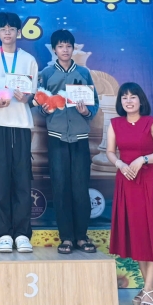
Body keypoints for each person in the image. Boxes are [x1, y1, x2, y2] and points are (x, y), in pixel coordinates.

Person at [106, 82, 153, 305]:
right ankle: (149, 288)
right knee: (136, 233)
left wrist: (143, 159)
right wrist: (120, 164)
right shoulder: (114, 124)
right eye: (124, 97)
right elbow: (110, 152)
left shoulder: (152, 122)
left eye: (133, 97)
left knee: (151, 232)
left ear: (141, 100)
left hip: (148, 182)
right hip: (126, 182)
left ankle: (148, 289)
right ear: (120, 102)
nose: (129, 101)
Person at [0, 12, 38, 253]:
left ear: (18, 32)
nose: (8, 32)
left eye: (12, 28)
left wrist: (26, 98)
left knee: (22, 179)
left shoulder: (28, 60)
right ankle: (3, 234)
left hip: (21, 124)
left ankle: (22, 234)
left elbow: (33, 93)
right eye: (3, 29)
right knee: (0, 179)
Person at [36, 30, 99, 254]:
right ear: (54, 49)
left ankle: (81, 236)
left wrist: (86, 112)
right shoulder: (46, 73)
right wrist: (44, 109)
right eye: (61, 46)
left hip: (80, 138)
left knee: (80, 188)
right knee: (60, 188)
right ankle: (66, 238)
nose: (65, 50)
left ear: (73, 49)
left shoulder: (83, 73)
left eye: (68, 46)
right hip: (56, 138)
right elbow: (39, 103)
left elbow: (94, 103)